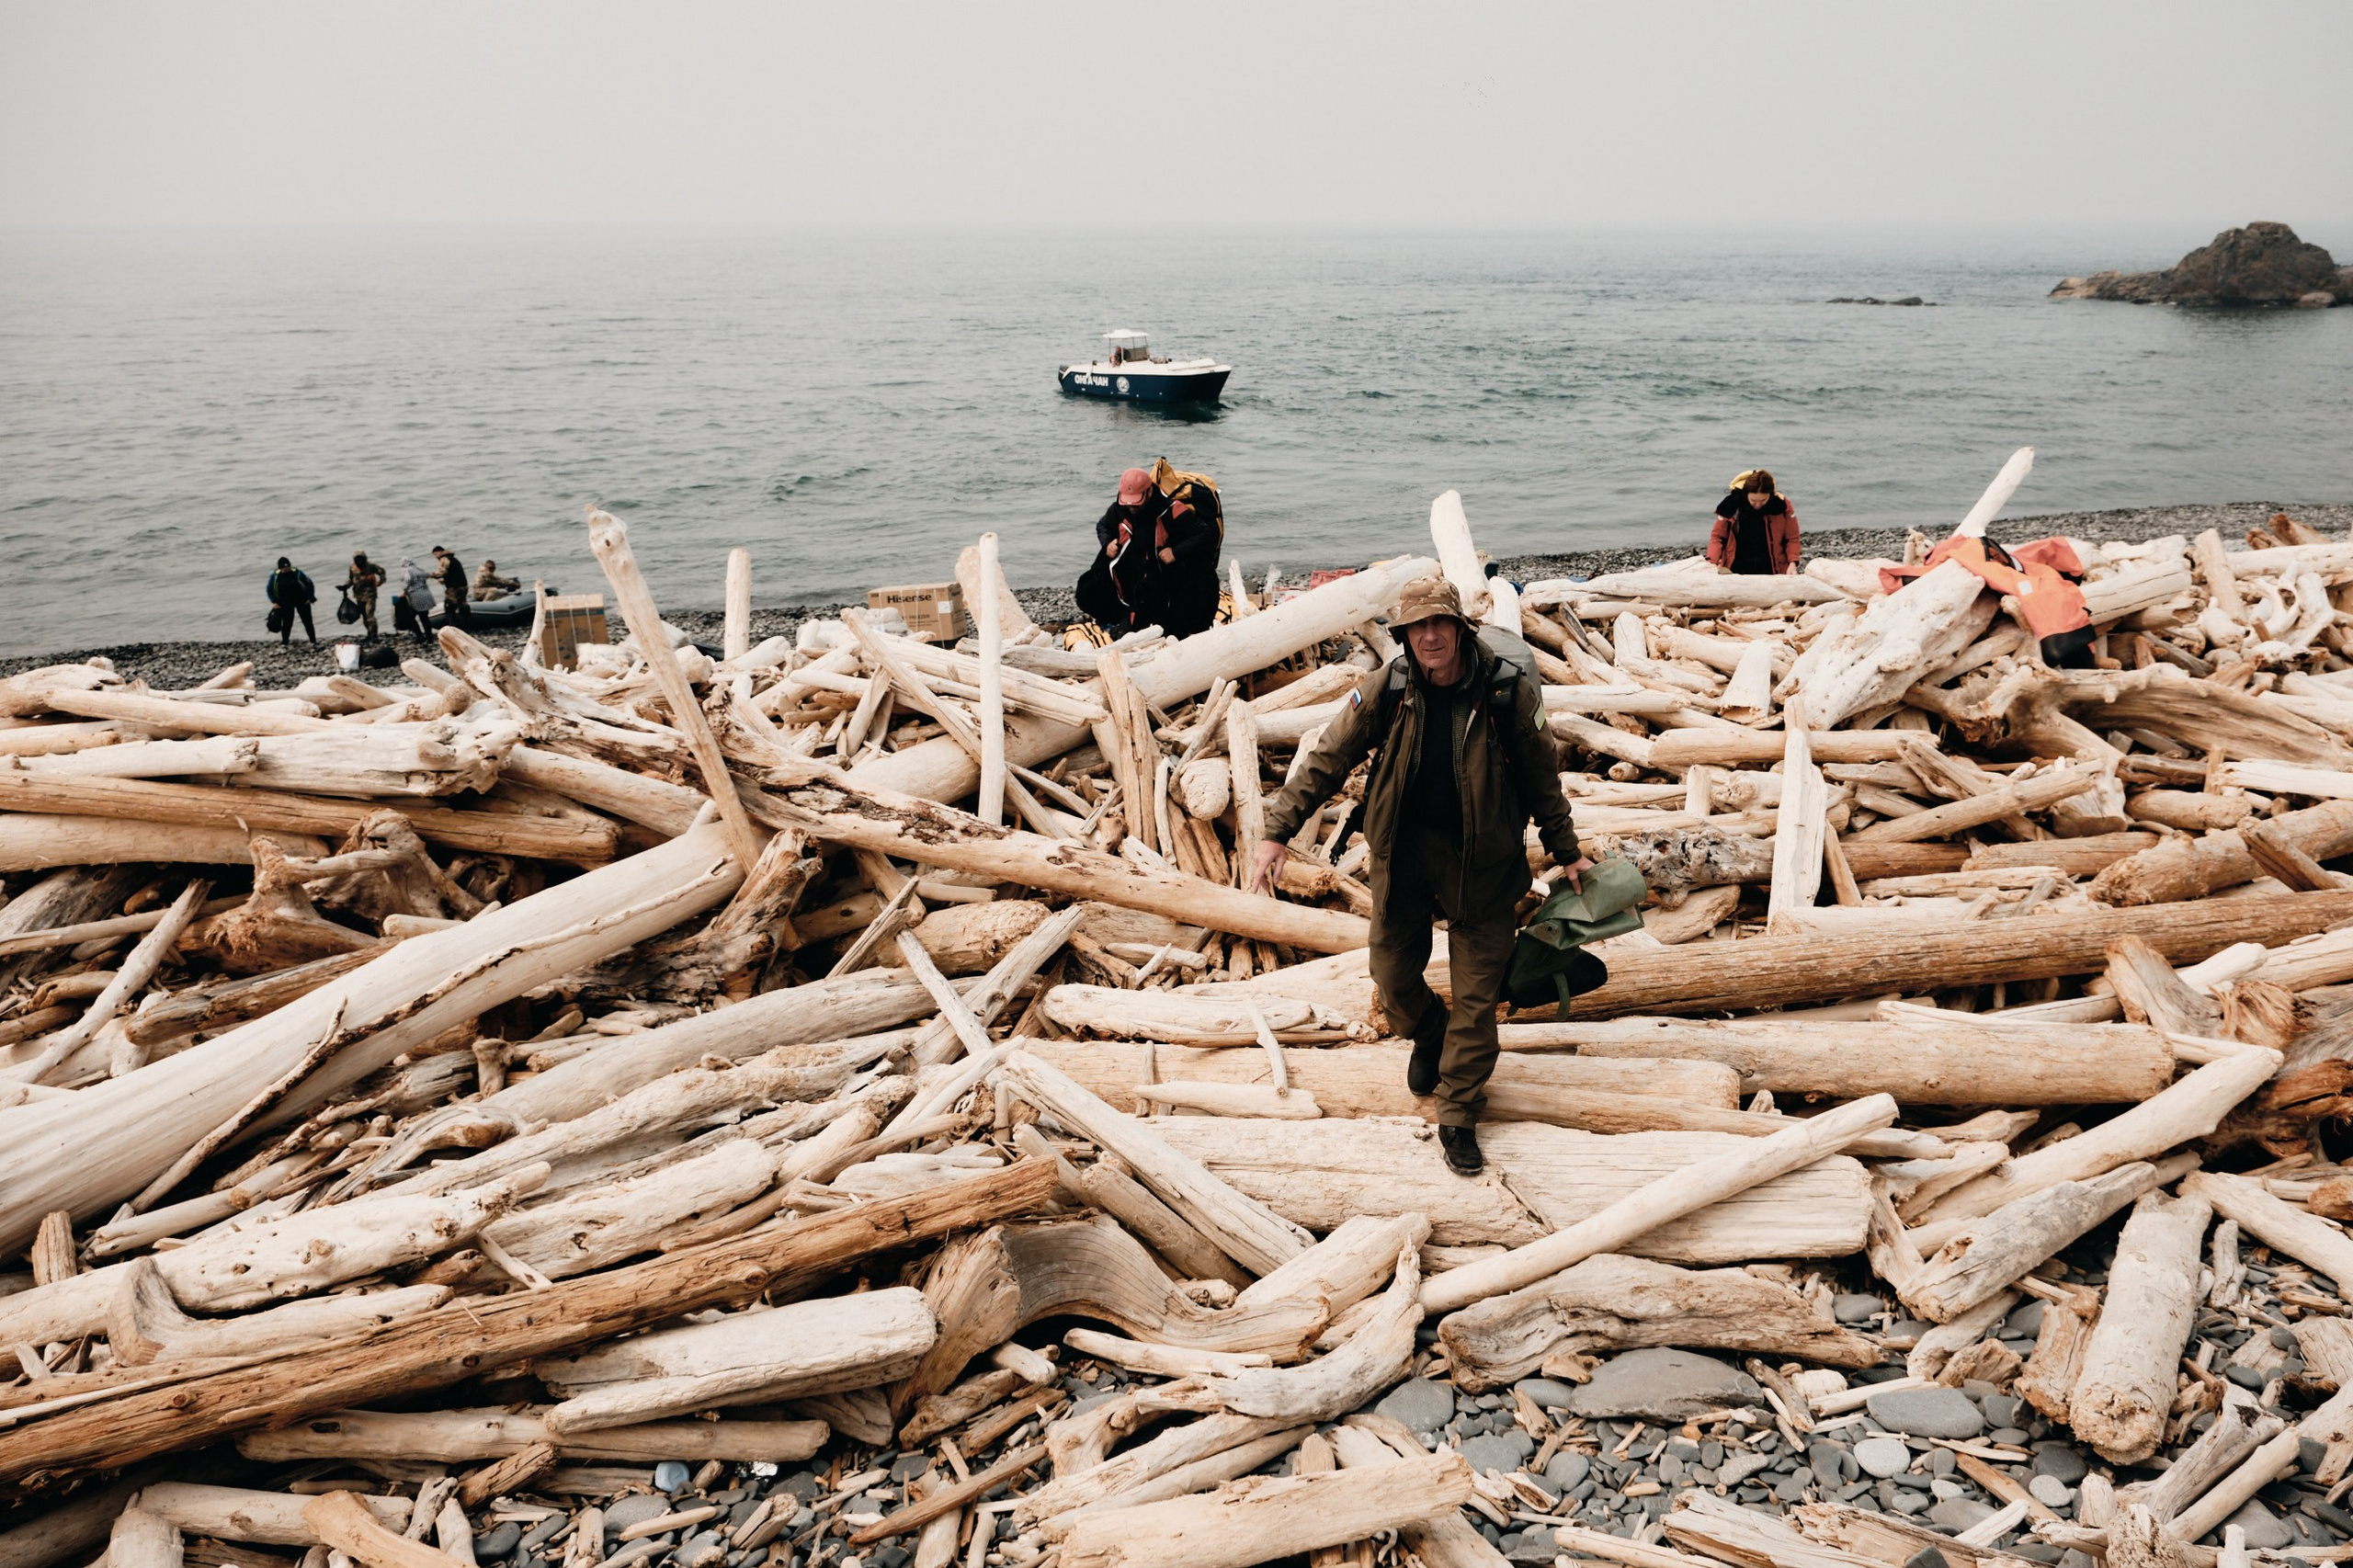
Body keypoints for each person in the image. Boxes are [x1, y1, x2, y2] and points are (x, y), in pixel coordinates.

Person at [1248, 574, 1589, 1176]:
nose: (1430, 636)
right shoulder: (1392, 685)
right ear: (1404, 634)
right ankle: (1431, 1033)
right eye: (1417, 626)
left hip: (1484, 864)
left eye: (1440, 623)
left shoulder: (1508, 692)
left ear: (1460, 627)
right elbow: (1329, 756)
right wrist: (1277, 832)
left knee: (1479, 1002)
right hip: (1405, 855)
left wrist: (1567, 851)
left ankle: (1458, 1112)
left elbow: (1542, 779)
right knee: (1392, 980)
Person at [1073, 460, 1223, 640]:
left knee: (1170, 629)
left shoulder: (1172, 510)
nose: (1131, 507)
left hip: (1165, 582)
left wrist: (1175, 552)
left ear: (1149, 492)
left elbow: (1208, 533)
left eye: (1136, 502)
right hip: (1133, 580)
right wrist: (1107, 544)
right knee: (1086, 590)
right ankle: (1119, 622)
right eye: (1128, 502)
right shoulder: (1120, 508)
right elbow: (1103, 526)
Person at [1708, 469, 1801, 575]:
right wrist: (1712, 563)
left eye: (1763, 500)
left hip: (1772, 568)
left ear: (1770, 495)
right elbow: (1718, 537)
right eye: (1753, 500)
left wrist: (1792, 563)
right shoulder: (1731, 505)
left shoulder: (1781, 506)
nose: (1757, 505)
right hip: (1736, 567)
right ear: (1746, 494)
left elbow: (1792, 538)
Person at [265, 556, 318, 645]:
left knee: (308, 622)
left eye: (288, 567)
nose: (286, 570)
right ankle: (285, 643)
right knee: (287, 624)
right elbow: (269, 590)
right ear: (280, 568)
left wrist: (311, 598)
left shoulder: (298, 573)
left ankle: (313, 642)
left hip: (302, 601)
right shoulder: (275, 577)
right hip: (285, 603)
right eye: (284, 568)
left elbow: (310, 584)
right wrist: (274, 602)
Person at [344, 551, 385, 642]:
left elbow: (381, 571)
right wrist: (345, 586)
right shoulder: (353, 567)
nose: (359, 561)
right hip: (359, 595)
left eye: (361, 558)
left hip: (370, 594)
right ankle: (369, 634)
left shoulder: (371, 566)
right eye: (357, 559)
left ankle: (375, 636)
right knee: (364, 616)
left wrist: (381, 582)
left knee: (370, 615)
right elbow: (351, 579)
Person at [395, 557, 436, 642]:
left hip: (416, 596)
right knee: (424, 617)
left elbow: (407, 580)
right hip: (426, 594)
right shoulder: (419, 569)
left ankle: (419, 635)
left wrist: (404, 591)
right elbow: (428, 575)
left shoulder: (407, 570)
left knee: (410, 617)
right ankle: (429, 636)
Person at [430, 546, 472, 627]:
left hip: (454, 588)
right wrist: (445, 580)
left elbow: (441, 571)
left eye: (435, 554)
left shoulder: (444, 559)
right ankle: (468, 625)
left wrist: (430, 575)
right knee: (463, 606)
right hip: (463, 586)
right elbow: (453, 573)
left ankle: (453, 627)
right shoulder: (453, 558)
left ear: (440, 552)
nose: (435, 557)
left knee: (449, 607)